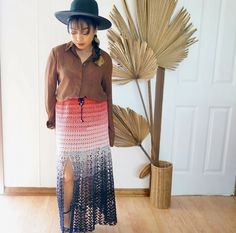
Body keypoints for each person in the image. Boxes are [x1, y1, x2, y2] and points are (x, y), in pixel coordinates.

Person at [44, 0, 117, 232]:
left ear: (95, 30)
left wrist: (110, 129)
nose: (79, 36)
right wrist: (51, 117)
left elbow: (109, 95)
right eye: (73, 30)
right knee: (68, 176)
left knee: (87, 177)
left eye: (85, 31)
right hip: (67, 121)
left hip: (95, 122)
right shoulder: (57, 54)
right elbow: (49, 89)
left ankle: (82, 224)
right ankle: (66, 223)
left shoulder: (104, 59)